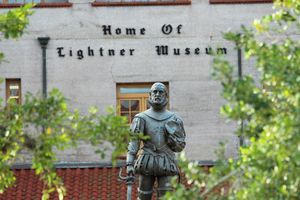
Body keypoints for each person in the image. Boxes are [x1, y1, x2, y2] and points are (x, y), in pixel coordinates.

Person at [126, 82, 186, 200]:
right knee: (143, 196)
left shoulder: (175, 119)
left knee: (166, 197)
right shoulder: (141, 118)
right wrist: (129, 163)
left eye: (160, 92)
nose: (157, 94)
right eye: (155, 91)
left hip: (167, 161)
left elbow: (180, 147)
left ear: (165, 96)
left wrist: (174, 140)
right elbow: (134, 142)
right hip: (146, 161)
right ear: (150, 95)